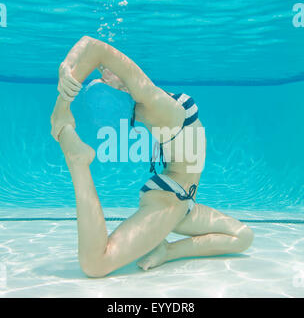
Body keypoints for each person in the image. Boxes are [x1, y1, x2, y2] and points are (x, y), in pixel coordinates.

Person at [50, 36, 253, 278]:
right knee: (95, 264)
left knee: (243, 236)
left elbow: (91, 46)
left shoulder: (149, 98)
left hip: (185, 200)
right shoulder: (149, 99)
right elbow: (95, 48)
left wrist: (66, 73)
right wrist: (62, 105)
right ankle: (78, 162)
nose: (107, 77)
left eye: (104, 79)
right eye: (106, 82)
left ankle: (167, 251)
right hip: (170, 197)